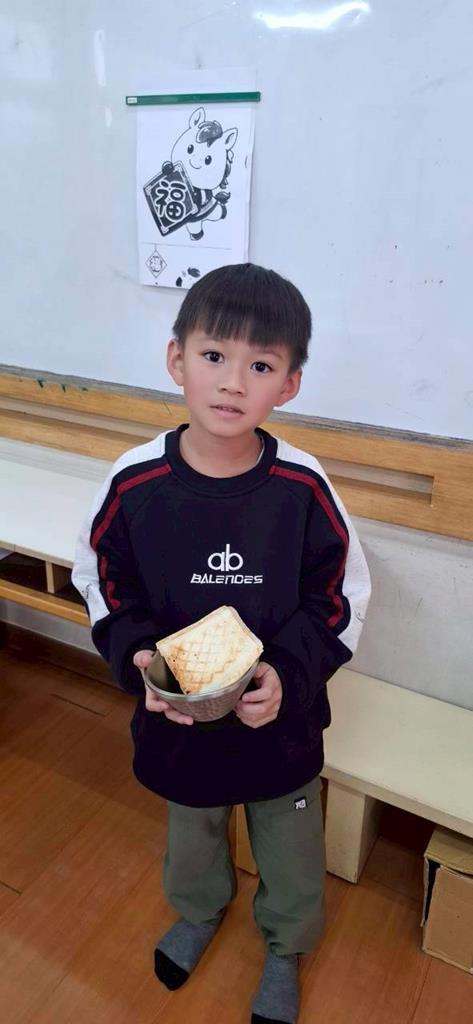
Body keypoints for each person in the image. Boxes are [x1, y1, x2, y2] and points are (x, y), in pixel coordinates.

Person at [72, 263, 371, 1024]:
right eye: (214, 356)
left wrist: (288, 675)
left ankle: (285, 946)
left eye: (261, 365)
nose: (234, 382)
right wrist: (141, 658)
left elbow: (340, 598)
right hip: (181, 716)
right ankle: (200, 910)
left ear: (289, 384)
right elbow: (102, 579)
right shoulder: (135, 482)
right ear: (177, 360)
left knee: (290, 842)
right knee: (193, 827)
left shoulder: (303, 487)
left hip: (280, 720)